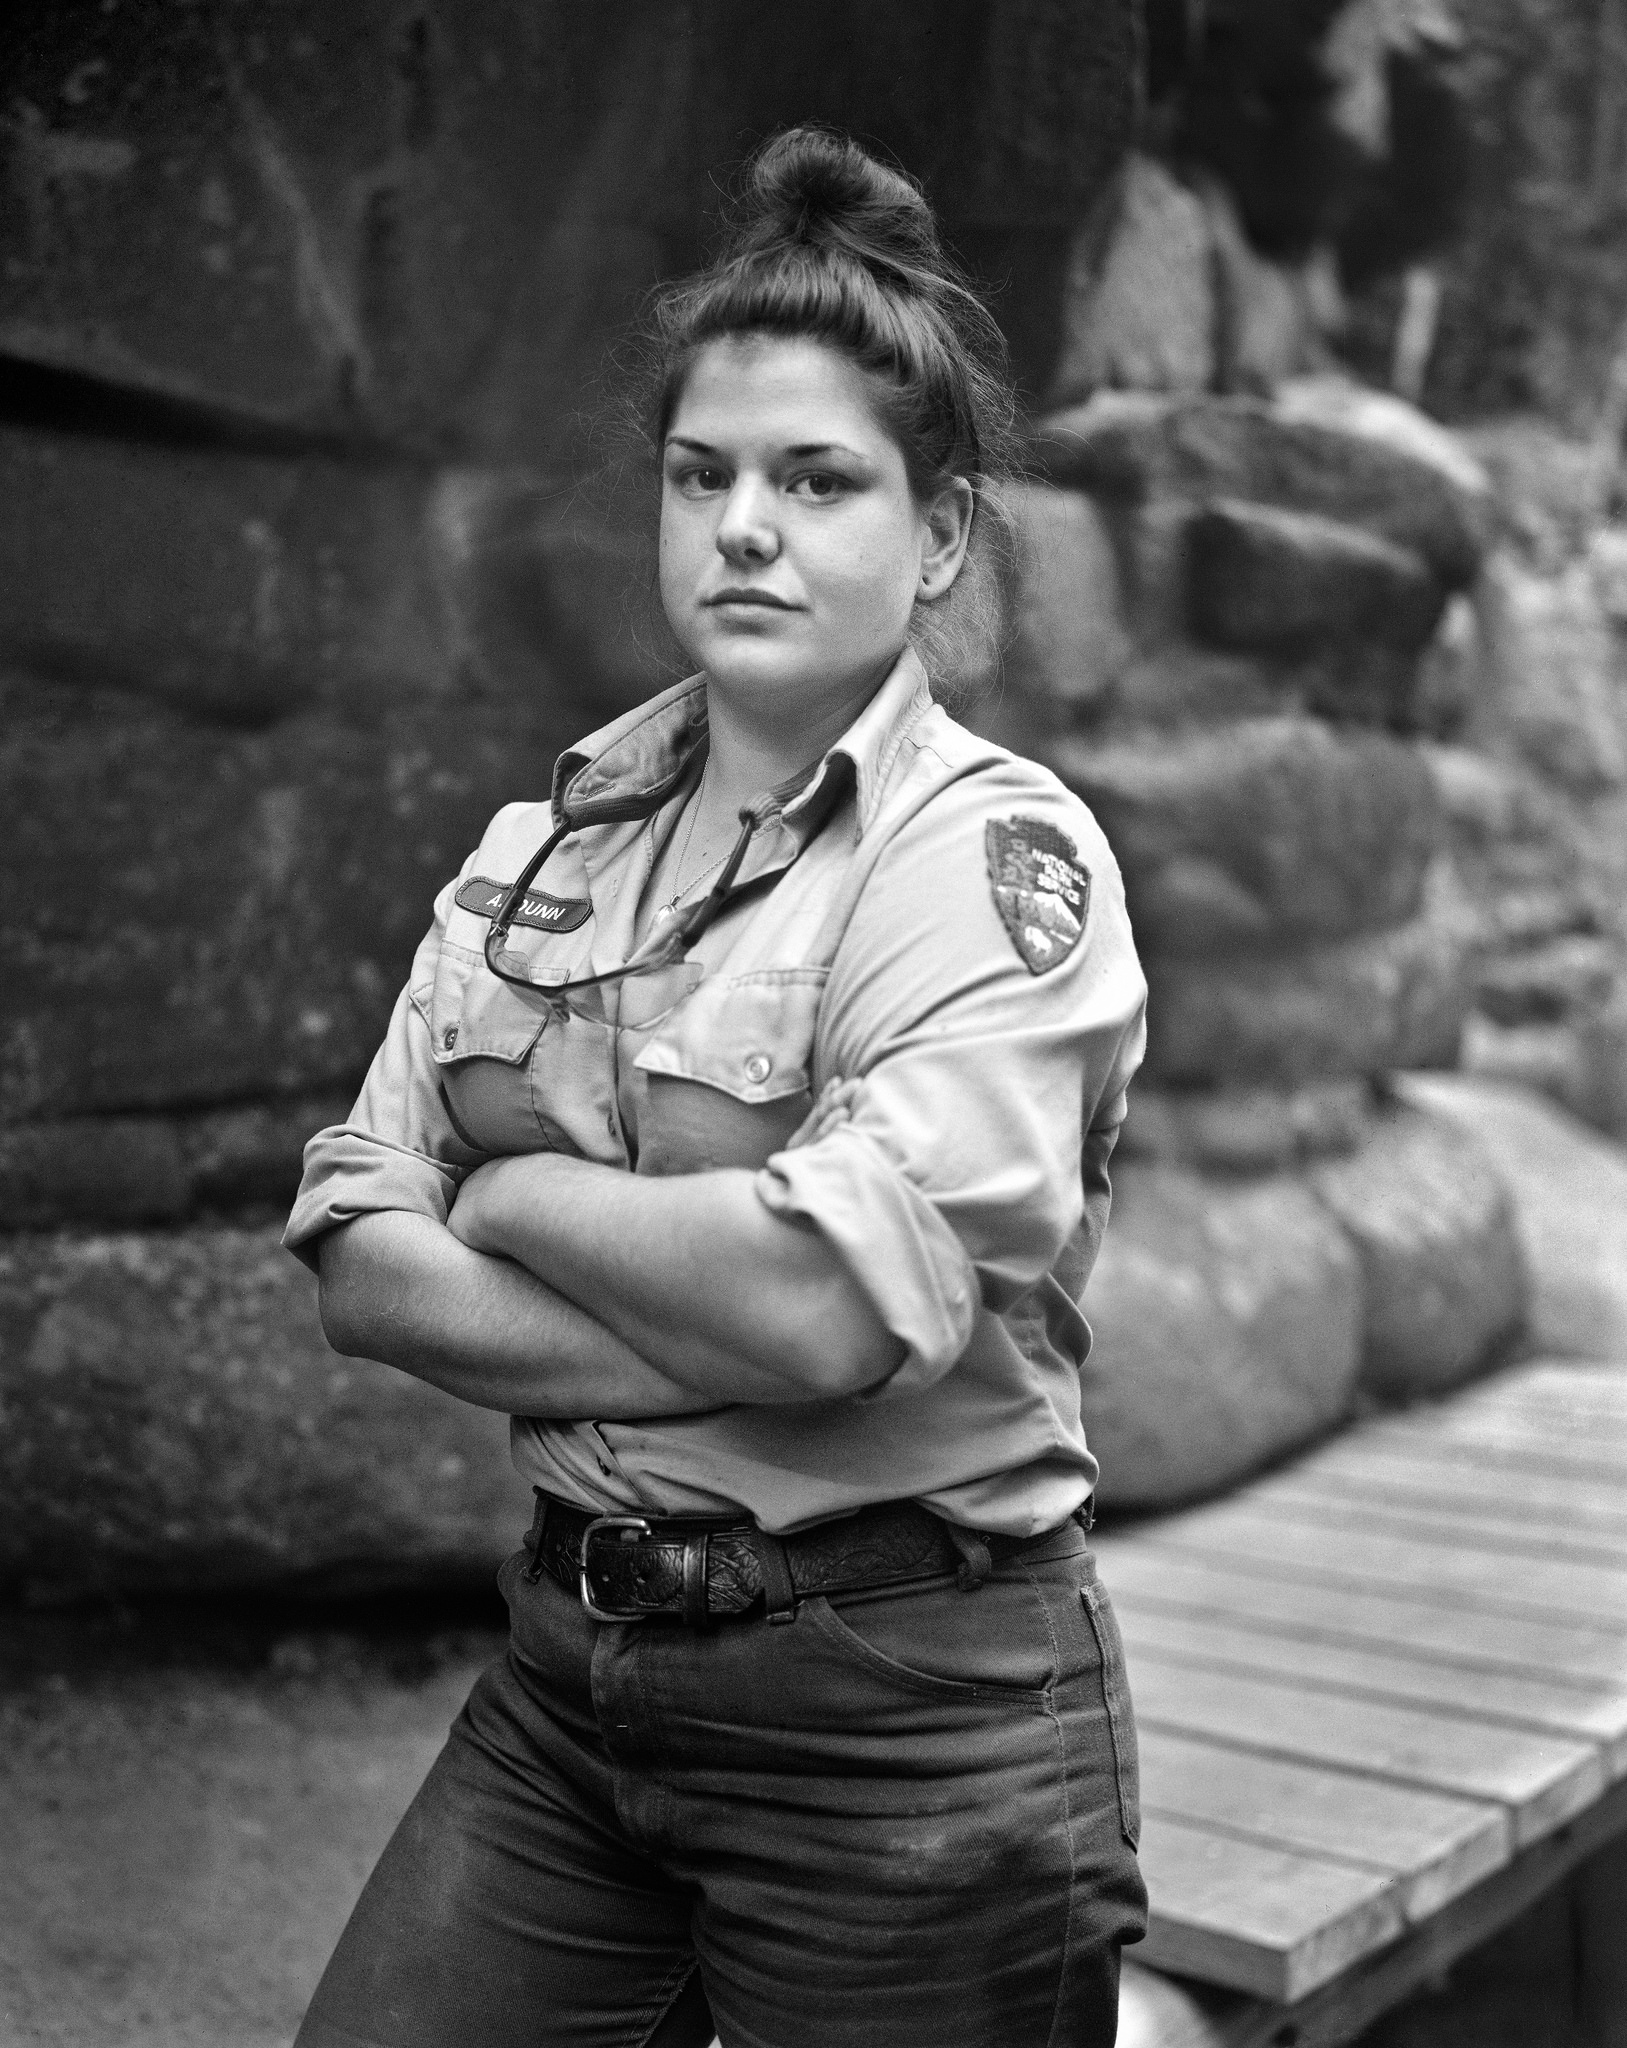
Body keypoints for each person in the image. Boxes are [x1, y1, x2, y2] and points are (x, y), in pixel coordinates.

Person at [284, 126, 1148, 2048]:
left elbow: (844, 1296)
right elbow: (353, 1245)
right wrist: (742, 1317)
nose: (745, 524)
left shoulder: (990, 861)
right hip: (569, 1683)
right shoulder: (545, 844)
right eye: (705, 476)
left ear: (935, 537)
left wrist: (508, 1206)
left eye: (817, 479)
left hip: (905, 1724)